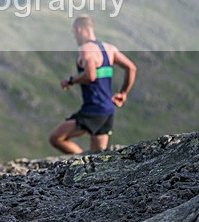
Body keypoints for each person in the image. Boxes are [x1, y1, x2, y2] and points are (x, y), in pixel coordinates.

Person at [49, 15, 137, 154]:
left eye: (74, 34)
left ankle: (81, 160)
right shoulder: (109, 49)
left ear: (79, 30)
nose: (75, 38)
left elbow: (91, 76)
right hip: (107, 110)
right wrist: (123, 93)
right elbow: (131, 68)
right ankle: (87, 164)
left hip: (93, 110)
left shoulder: (86, 49)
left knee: (55, 138)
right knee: (98, 158)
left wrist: (71, 80)